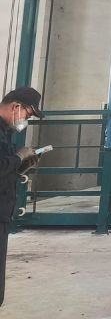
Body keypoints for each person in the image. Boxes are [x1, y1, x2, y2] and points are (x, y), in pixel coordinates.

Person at [0, 87, 43, 307]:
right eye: (27, 114)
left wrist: (21, 167)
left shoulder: (5, 133)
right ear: (16, 106)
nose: (26, 120)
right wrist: (18, 157)